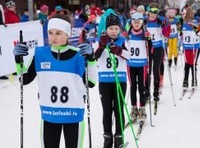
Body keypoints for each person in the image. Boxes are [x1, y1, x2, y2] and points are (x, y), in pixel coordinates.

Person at [13, 13, 97, 148]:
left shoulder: (78, 54)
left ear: (68, 33)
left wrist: (91, 59)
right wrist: (17, 59)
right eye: (50, 33)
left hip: (73, 115)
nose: (53, 37)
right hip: (49, 115)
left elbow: (91, 82)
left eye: (58, 33)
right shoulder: (40, 54)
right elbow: (24, 79)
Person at [95, 13, 130, 148]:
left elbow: (129, 57)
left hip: (119, 80)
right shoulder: (101, 40)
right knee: (107, 110)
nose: (113, 31)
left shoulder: (123, 41)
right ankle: (107, 138)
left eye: (116, 28)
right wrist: (102, 46)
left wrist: (119, 50)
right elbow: (94, 56)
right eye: (111, 29)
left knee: (119, 109)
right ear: (106, 29)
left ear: (119, 29)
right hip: (104, 80)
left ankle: (119, 137)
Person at [126, 12, 148, 122]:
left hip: (142, 65)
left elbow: (151, 47)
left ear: (142, 23)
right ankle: (134, 108)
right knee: (133, 87)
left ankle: (142, 108)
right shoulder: (128, 34)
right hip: (130, 65)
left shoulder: (145, 34)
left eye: (139, 22)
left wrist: (148, 40)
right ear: (131, 23)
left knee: (141, 87)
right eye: (134, 22)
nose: (136, 24)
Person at [181, 7, 200, 91]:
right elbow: (181, 35)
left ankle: (194, 79)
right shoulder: (184, 24)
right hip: (186, 47)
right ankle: (185, 80)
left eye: (184, 15)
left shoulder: (195, 23)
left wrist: (196, 29)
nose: (188, 20)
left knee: (193, 63)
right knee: (187, 63)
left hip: (194, 47)